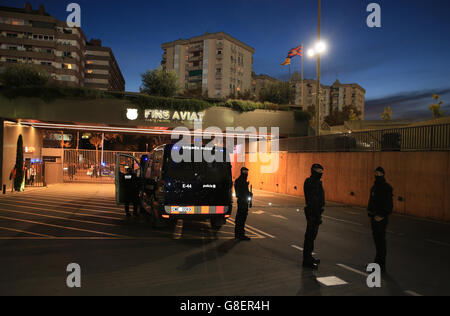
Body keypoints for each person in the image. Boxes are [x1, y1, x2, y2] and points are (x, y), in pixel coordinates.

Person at [367, 166, 393, 273]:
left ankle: (381, 265)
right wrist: (369, 212)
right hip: (374, 217)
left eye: (379, 173)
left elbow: (389, 205)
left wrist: (381, 215)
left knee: (381, 242)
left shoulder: (387, 187)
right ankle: (377, 264)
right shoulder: (374, 187)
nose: (377, 175)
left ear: (383, 174)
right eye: (375, 173)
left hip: (381, 219)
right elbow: (371, 201)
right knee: (377, 242)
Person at [302, 164, 325, 270]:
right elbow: (313, 200)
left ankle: (309, 257)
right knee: (310, 237)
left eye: (322, 171)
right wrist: (317, 215)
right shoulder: (310, 182)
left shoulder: (316, 182)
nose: (321, 173)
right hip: (312, 213)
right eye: (319, 170)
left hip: (315, 213)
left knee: (312, 237)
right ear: (314, 171)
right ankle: (306, 260)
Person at [234, 167, 252, 241]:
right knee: (240, 218)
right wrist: (246, 195)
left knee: (242, 218)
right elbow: (238, 193)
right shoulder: (240, 181)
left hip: (244, 201)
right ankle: (239, 234)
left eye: (246, 172)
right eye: (245, 172)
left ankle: (239, 234)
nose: (246, 174)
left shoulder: (242, 181)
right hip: (242, 202)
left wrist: (249, 194)